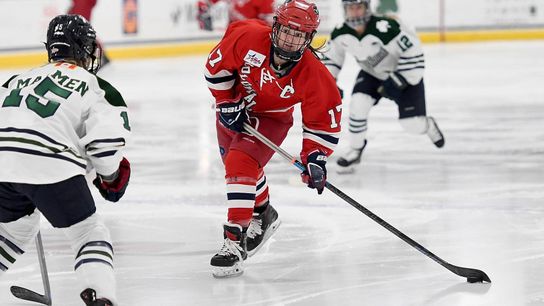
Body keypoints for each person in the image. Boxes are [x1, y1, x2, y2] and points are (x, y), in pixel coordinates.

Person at [204, 0, 342, 278]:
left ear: (309, 38)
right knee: (239, 170)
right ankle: (264, 213)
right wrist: (227, 99)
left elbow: (322, 121)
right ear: (275, 27)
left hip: (272, 119)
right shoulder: (248, 37)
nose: (290, 40)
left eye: (299, 34)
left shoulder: (314, 73)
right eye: (286, 31)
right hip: (235, 107)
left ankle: (234, 242)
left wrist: (315, 157)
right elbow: (215, 67)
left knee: (239, 163)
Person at [0, 15, 131, 306]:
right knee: (88, 232)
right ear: (85, 48)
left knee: (12, 231)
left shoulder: (16, 79)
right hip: (50, 165)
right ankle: (100, 295)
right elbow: (105, 145)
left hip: (2, 165)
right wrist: (110, 178)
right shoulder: (96, 86)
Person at [321, 0, 445, 173]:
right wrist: (328, 82)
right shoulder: (341, 32)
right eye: (351, 8)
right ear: (345, 10)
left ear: (367, 8)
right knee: (358, 104)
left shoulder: (385, 27)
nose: (355, 12)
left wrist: (398, 80)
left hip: (404, 75)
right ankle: (356, 150)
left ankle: (428, 125)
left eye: (359, 7)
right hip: (372, 74)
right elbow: (330, 59)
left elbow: (414, 51)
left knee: (412, 125)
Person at [68, 0, 111, 67]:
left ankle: (100, 55)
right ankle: (101, 55)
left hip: (82, 6)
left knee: (83, 33)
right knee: (82, 33)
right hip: (80, 6)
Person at [196, 0, 275, 31]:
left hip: (252, 37)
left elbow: (269, 26)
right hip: (232, 34)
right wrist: (203, 10)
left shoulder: (265, 1)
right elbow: (204, 2)